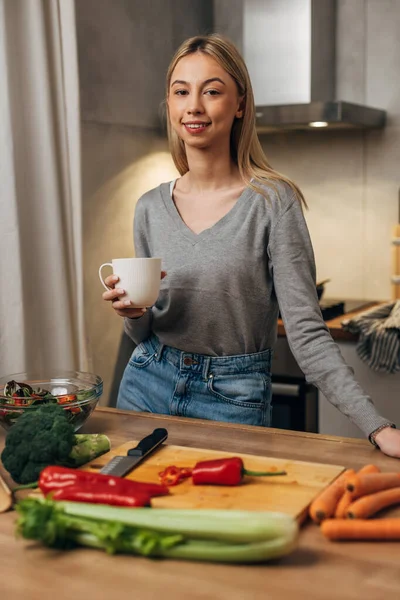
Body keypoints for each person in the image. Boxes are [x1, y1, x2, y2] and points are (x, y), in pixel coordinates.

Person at [102, 33, 400, 458]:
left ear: (240, 104)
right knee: (133, 513)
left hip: (233, 397)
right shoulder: (148, 207)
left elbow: (307, 333)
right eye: (181, 92)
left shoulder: (273, 202)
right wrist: (133, 312)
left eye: (212, 91)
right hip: (146, 384)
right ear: (169, 105)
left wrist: (378, 427)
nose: (194, 107)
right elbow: (142, 330)